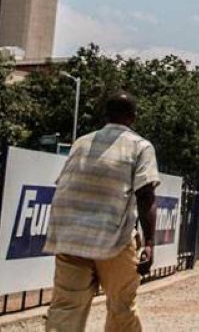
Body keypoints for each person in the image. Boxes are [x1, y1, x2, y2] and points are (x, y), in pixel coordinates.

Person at [44, 92, 159, 332]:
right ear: (133, 117)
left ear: (106, 115)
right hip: (114, 240)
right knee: (121, 305)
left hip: (71, 236)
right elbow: (145, 195)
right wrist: (149, 243)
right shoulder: (140, 146)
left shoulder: (81, 142)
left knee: (66, 307)